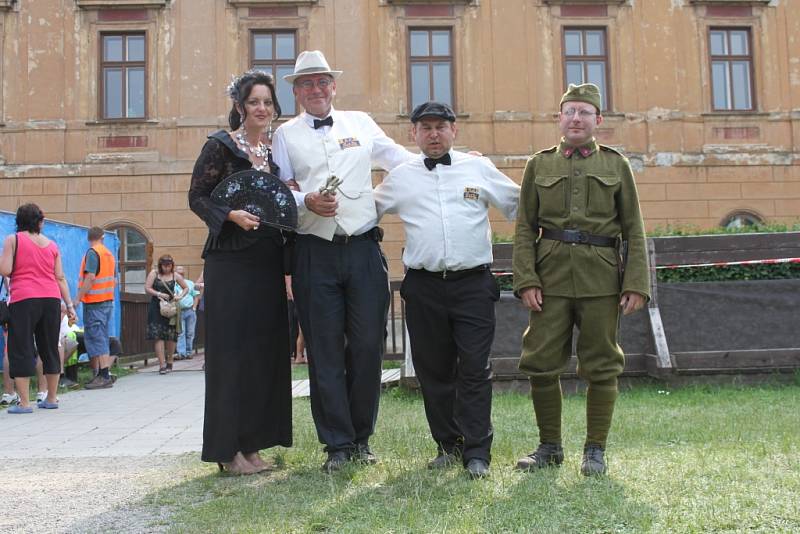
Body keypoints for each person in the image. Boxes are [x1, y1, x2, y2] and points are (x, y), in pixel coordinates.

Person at [271, 50, 415, 472]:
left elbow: (400, 161)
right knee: (325, 350)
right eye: (307, 83)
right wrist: (305, 199)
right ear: (296, 91)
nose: (316, 89)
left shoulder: (361, 123)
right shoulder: (285, 135)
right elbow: (278, 191)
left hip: (364, 249)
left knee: (369, 348)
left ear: (334, 86)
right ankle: (336, 444)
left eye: (322, 82)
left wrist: (455, 163)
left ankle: (362, 439)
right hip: (313, 252)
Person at [374, 101, 520, 478]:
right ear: (414, 134)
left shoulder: (478, 168)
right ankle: (447, 445)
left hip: (473, 284)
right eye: (425, 128)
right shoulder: (401, 176)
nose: (434, 134)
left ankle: (477, 453)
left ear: (454, 131)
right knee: (433, 371)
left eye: (441, 127)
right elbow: (365, 211)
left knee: (474, 367)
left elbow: (519, 203)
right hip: (423, 287)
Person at [512, 83, 650, 476]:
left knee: (603, 364)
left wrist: (636, 283)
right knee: (540, 363)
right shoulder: (538, 165)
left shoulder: (616, 165)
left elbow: (634, 228)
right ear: (560, 118)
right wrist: (526, 278)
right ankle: (549, 447)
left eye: (584, 112)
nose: (576, 118)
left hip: (600, 280)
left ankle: (595, 451)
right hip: (550, 278)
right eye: (570, 111)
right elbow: (524, 228)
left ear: (598, 120)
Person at [189, 69, 292, 476]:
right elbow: (196, 197)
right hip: (229, 259)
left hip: (266, 259)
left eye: (268, 102)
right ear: (239, 107)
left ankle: (251, 445)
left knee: (261, 353)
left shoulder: (273, 153)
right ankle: (225, 449)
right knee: (230, 354)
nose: (262, 109)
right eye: (254, 102)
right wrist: (229, 214)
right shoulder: (219, 146)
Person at [0, 204, 77, 413]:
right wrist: (70, 306)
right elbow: (60, 277)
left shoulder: (13, 240)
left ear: (19, 221)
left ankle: (24, 403)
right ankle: (51, 398)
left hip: (24, 299)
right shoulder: (52, 245)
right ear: (40, 222)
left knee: (20, 347)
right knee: (50, 347)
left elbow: (5, 270)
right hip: (51, 299)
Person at [73, 226, 117, 390]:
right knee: (102, 337)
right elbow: (114, 280)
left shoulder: (93, 253)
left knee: (96, 338)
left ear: (88, 238)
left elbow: (90, 277)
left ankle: (103, 375)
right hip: (107, 301)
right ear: (103, 237)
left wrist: (78, 298)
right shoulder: (109, 254)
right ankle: (103, 374)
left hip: (94, 303)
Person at [144, 255, 188, 375]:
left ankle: (170, 362)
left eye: (169, 266)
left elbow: (186, 288)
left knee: (171, 336)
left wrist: (180, 296)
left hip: (171, 308)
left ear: (172, 265)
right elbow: (147, 288)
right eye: (164, 266)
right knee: (158, 335)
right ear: (160, 265)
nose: (167, 268)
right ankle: (162, 364)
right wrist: (159, 293)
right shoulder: (154, 273)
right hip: (156, 307)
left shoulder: (175, 275)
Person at [175, 265, 200, 360]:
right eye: (178, 273)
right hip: (179, 311)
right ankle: (181, 353)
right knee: (180, 333)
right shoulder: (173, 284)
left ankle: (189, 352)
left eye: (181, 273)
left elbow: (196, 296)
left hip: (190, 310)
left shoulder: (190, 283)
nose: (180, 274)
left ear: (184, 273)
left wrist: (194, 308)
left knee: (190, 332)